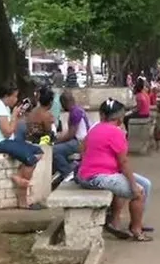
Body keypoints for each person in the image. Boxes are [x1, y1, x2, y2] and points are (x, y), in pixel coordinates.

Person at [75, 99, 153, 242]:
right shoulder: (116, 133)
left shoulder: (96, 128)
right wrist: (133, 186)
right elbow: (123, 162)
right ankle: (136, 230)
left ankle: (137, 222)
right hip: (97, 176)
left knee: (146, 184)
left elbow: (82, 149)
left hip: (92, 173)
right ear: (120, 117)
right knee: (139, 192)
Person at [0, 85, 44, 209]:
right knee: (30, 159)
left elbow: (11, 130)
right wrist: (15, 116)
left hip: (7, 141)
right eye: (15, 96)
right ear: (6, 96)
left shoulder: (3, 107)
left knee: (38, 152)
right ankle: (23, 200)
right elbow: (8, 132)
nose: (16, 99)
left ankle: (18, 177)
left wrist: (15, 116)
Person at [53, 92, 92, 180]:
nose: (62, 107)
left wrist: (55, 141)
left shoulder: (75, 112)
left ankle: (68, 171)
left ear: (64, 102)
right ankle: (70, 167)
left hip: (80, 142)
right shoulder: (78, 109)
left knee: (54, 150)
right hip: (81, 140)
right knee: (60, 147)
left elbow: (71, 135)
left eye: (62, 104)